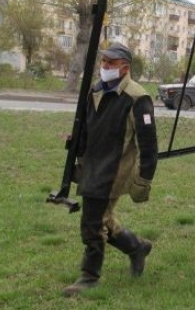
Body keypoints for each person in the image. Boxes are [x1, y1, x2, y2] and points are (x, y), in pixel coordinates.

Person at [64, 42, 159, 297]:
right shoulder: (95, 90)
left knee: (92, 222)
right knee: (102, 219)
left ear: (124, 68)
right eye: (103, 61)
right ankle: (136, 247)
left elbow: (148, 145)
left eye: (111, 63)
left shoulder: (138, 98)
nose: (104, 66)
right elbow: (87, 127)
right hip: (93, 166)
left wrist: (143, 180)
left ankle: (89, 276)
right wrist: (76, 145)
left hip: (115, 171)